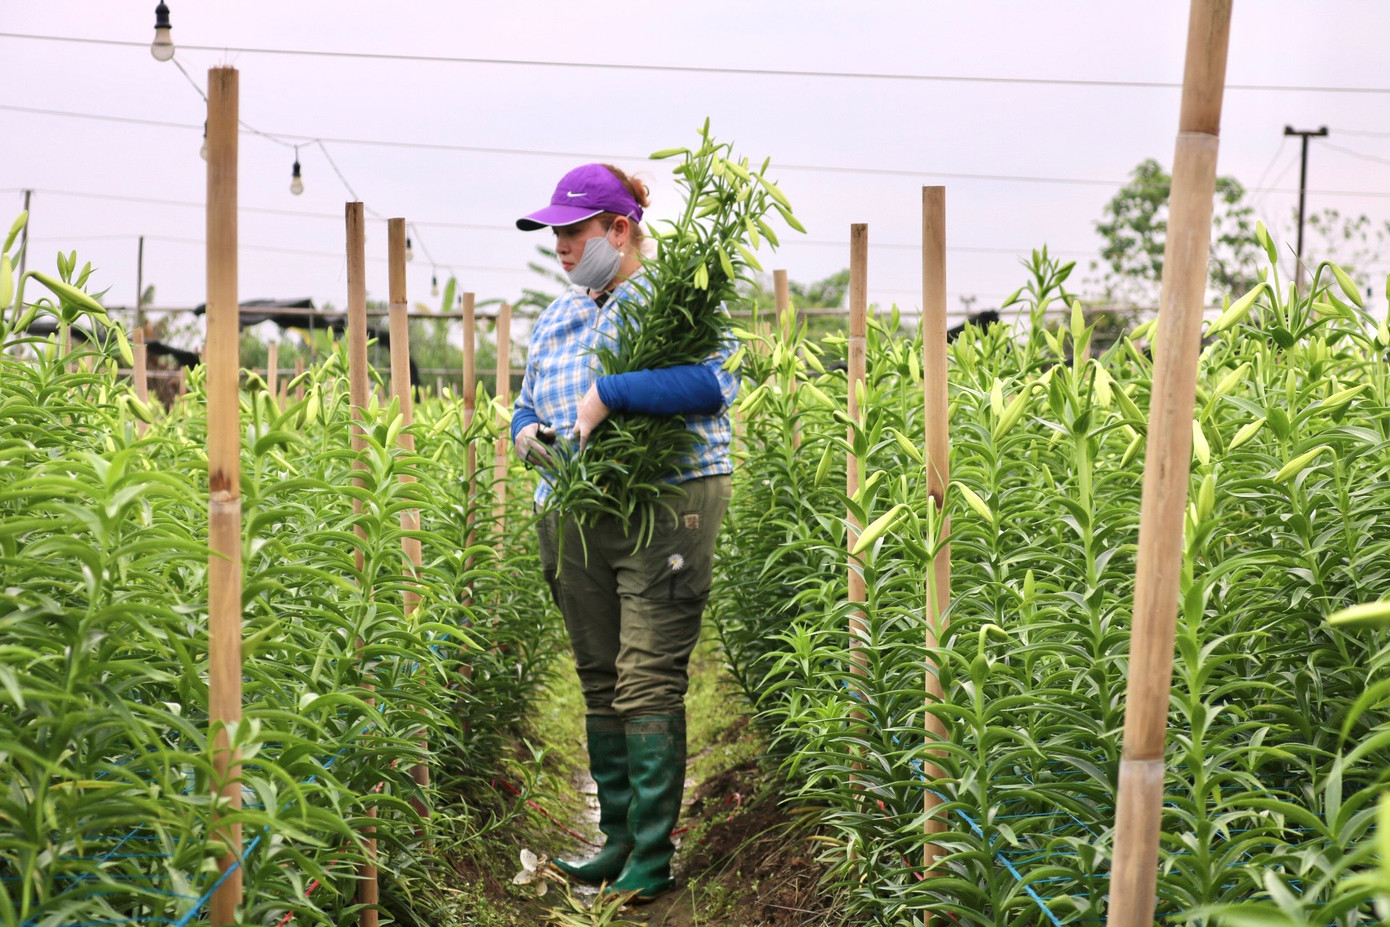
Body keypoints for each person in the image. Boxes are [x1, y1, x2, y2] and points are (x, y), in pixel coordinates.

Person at [511, 163, 738, 902]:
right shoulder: (558, 315)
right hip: (574, 507)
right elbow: (525, 403)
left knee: (646, 672)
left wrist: (612, 391)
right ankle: (615, 840)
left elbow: (714, 383)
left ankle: (651, 855)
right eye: (554, 234)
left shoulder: (678, 303)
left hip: (668, 502)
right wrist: (526, 435)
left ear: (619, 229)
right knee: (600, 671)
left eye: (573, 232)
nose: (561, 247)